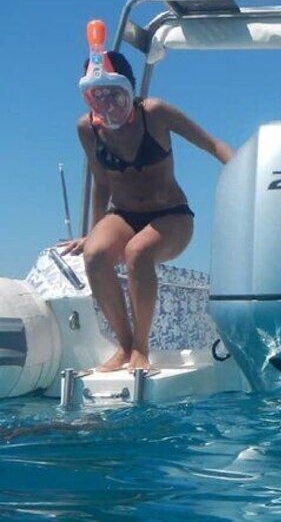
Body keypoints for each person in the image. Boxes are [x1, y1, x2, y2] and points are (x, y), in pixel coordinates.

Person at [60, 50, 234, 372]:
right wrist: (93, 230)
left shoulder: (154, 113)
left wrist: (246, 173)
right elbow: (102, 182)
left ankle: (142, 348)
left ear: (130, 88)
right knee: (95, 255)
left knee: (137, 252)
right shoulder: (87, 129)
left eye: (114, 93)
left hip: (171, 215)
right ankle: (125, 347)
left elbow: (212, 144)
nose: (107, 103)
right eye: (98, 96)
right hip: (123, 215)